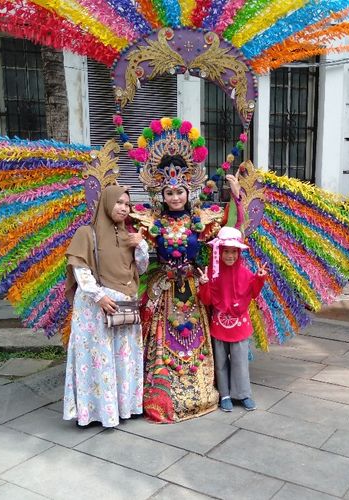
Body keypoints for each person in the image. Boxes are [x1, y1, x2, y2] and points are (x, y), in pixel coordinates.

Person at [128, 118, 242, 423]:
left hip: (193, 286)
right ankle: (160, 394)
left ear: (188, 191)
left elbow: (231, 231)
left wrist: (235, 195)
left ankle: (202, 391)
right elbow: (121, 229)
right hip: (163, 286)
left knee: (193, 337)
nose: (175, 197)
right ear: (160, 195)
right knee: (163, 339)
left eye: (180, 191)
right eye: (169, 193)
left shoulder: (203, 219)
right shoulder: (150, 221)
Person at [63, 185, 150, 428]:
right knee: (98, 359)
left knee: (123, 358)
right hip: (95, 309)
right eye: (119, 202)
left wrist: (140, 246)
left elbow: (139, 270)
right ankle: (95, 413)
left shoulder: (128, 235)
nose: (124, 208)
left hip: (123, 306)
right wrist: (99, 297)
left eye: (127, 204)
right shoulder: (86, 233)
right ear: (106, 203)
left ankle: (124, 408)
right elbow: (80, 269)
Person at [197, 226, 266, 412]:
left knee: (240, 361)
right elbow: (207, 299)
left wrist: (259, 279)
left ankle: (243, 394)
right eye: (226, 251)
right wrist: (203, 285)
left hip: (240, 326)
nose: (230, 256)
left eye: (234, 252)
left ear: (239, 253)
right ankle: (224, 394)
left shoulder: (245, 273)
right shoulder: (213, 273)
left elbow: (252, 293)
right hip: (219, 325)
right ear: (219, 252)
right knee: (221, 362)